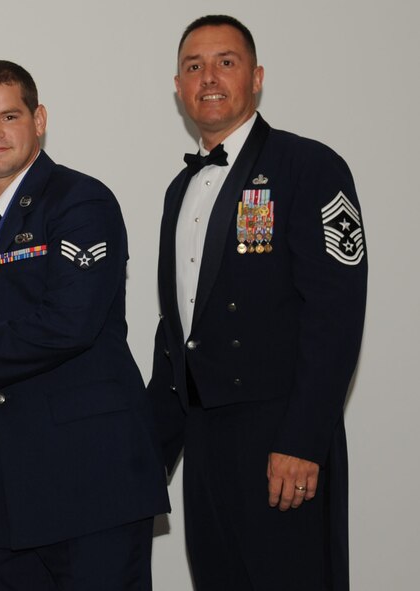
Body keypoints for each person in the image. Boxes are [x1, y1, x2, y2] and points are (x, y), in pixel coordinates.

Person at [0, 60, 169, 590]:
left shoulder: (81, 202)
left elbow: (68, 324)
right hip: (15, 492)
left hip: (96, 481)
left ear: (39, 119)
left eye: (8, 116)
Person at [147, 15, 367, 590]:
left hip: (280, 438)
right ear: (178, 85)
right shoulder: (179, 191)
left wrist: (302, 440)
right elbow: (177, 332)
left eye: (226, 62)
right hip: (205, 440)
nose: (209, 77)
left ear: (257, 77)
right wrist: (149, 455)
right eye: (194, 66)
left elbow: (335, 315)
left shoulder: (311, 167)